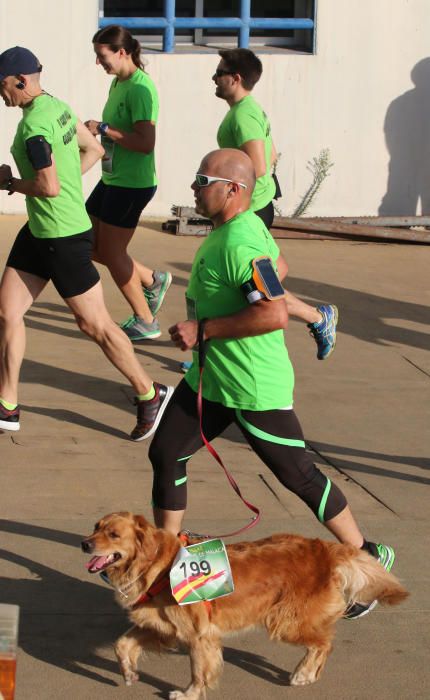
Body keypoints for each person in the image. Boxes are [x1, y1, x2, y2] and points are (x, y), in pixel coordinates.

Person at [149, 148, 395, 619]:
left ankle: (368, 558)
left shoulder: (238, 241)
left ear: (233, 190)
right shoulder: (241, 231)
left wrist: (202, 330)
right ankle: (168, 560)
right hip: (212, 379)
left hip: (252, 387)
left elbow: (272, 311)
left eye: (203, 180)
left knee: (298, 475)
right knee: (166, 453)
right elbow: (276, 270)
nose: (195, 188)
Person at [0, 46, 172, 440]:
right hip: (41, 230)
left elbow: (48, 185)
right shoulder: (58, 107)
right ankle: (7, 403)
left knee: (94, 324)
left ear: (21, 81)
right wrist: (66, 188)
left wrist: (10, 183)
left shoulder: (33, 130)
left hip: (63, 237)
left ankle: (150, 393)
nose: (1, 93)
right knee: (8, 311)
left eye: (3, 85)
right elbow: (93, 148)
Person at [214, 48, 338, 360]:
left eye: (219, 73)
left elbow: (256, 165)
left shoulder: (243, 116)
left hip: (250, 213)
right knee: (251, 288)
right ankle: (318, 318)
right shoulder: (249, 110)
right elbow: (272, 154)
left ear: (236, 78)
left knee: (252, 289)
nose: (214, 78)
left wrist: (234, 200)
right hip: (252, 209)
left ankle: (318, 318)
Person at [85, 25, 171, 342]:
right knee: (87, 242)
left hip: (132, 184)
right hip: (112, 179)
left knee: (110, 251)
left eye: (102, 55)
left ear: (122, 52)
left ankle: (145, 320)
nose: (99, 63)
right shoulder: (119, 83)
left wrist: (104, 128)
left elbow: (145, 142)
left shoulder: (140, 89)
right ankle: (151, 279)